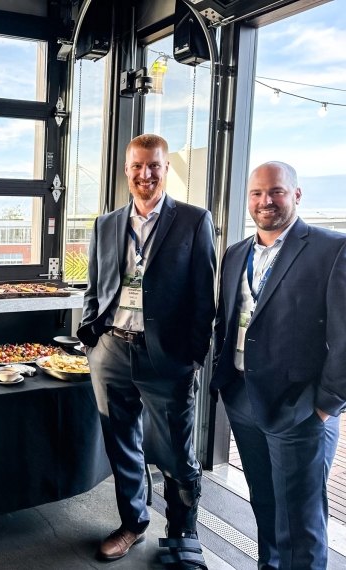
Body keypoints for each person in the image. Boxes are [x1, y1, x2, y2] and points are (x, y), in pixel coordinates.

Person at [77, 134, 215, 568]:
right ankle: (133, 523)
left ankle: (182, 536)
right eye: (137, 166)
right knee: (122, 445)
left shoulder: (194, 221)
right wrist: (91, 337)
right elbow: (95, 286)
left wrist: (191, 356)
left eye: (154, 166)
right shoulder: (107, 224)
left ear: (165, 168)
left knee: (176, 450)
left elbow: (203, 297)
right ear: (126, 170)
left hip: (166, 358)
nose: (145, 174)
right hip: (112, 352)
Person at [212, 161, 345, 570]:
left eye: (277, 192)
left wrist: (325, 405)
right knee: (266, 504)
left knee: (300, 524)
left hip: (299, 408)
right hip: (243, 400)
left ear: (297, 195)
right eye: (256, 193)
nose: (265, 201)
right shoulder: (235, 253)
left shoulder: (331, 248)